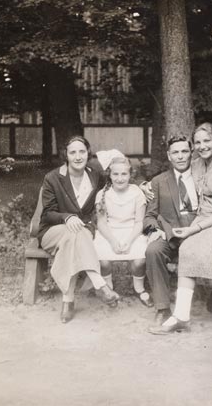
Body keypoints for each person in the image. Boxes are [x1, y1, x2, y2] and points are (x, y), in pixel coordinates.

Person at [148, 122, 212, 339]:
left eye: (207, 141)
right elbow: (175, 174)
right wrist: (144, 186)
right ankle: (181, 316)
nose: (202, 145)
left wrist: (193, 228)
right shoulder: (199, 163)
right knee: (187, 250)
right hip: (210, 217)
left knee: (208, 256)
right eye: (198, 142)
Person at [38, 136, 120, 323]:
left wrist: (144, 186)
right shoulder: (53, 177)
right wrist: (66, 217)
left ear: (88, 154)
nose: (77, 156)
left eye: (82, 151)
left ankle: (68, 300)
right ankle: (100, 285)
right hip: (53, 231)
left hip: (81, 231)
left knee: (74, 237)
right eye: (72, 152)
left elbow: (119, 178)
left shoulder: (95, 175)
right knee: (73, 235)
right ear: (65, 155)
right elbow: (48, 213)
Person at [143, 135, 199, 324]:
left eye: (184, 151)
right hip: (171, 234)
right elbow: (150, 215)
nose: (180, 156)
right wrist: (153, 230)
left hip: (198, 233)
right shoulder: (159, 181)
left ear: (191, 153)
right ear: (169, 156)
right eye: (175, 152)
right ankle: (162, 307)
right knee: (153, 250)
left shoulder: (202, 176)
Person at [93, 156, 153, 307]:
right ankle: (109, 288)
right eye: (115, 174)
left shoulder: (137, 193)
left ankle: (139, 287)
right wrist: (113, 241)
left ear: (130, 175)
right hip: (108, 232)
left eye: (124, 174)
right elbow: (101, 223)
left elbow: (139, 222)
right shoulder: (102, 194)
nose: (120, 179)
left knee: (140, 260)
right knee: (103, 260)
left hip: (133, 232)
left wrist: (129, 240)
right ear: (110, 175)